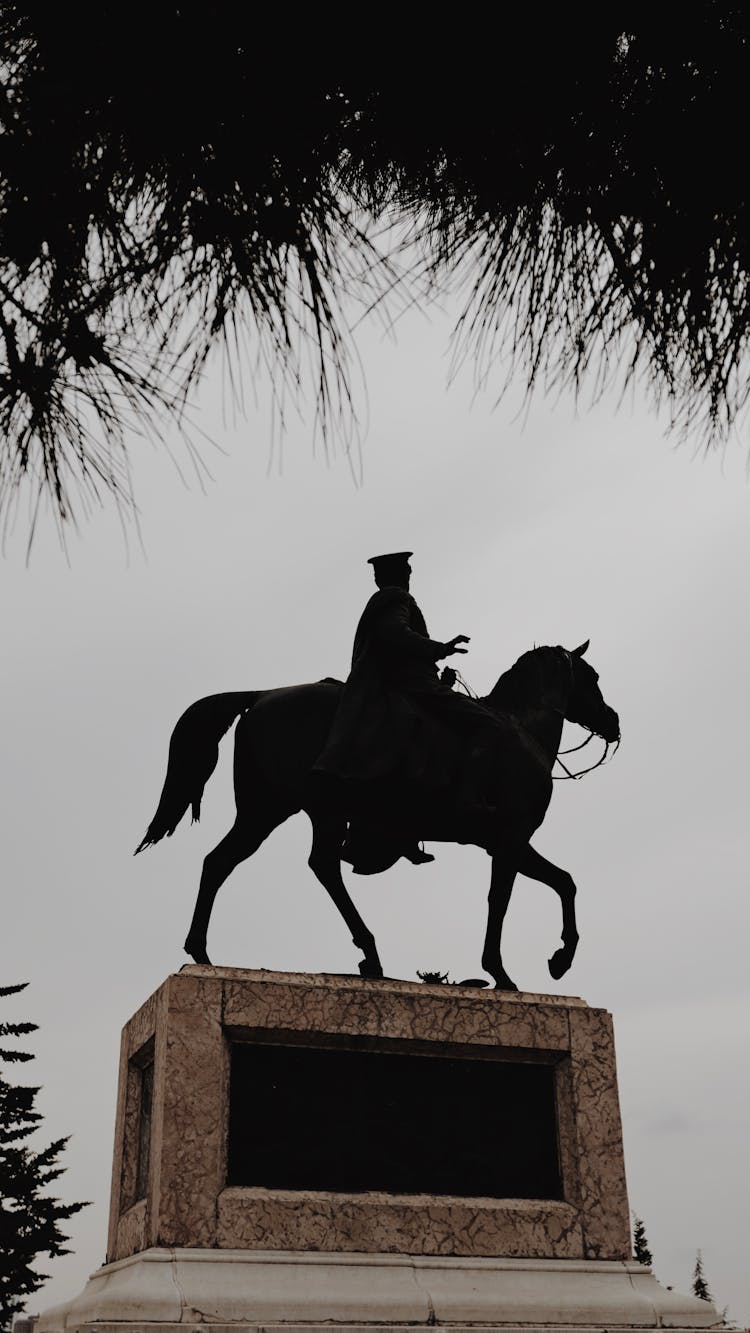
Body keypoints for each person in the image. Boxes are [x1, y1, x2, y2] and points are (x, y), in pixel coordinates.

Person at [314, 551, 499, 873]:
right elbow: (394, 634)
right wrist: (438, 649)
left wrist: (437, 672)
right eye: (407, 570)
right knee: (489, 725)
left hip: (412, 682)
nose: (410, 574)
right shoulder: (396, 597)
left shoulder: (384, 598)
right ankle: (470, 801)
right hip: (412, 686)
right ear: (400, 574)